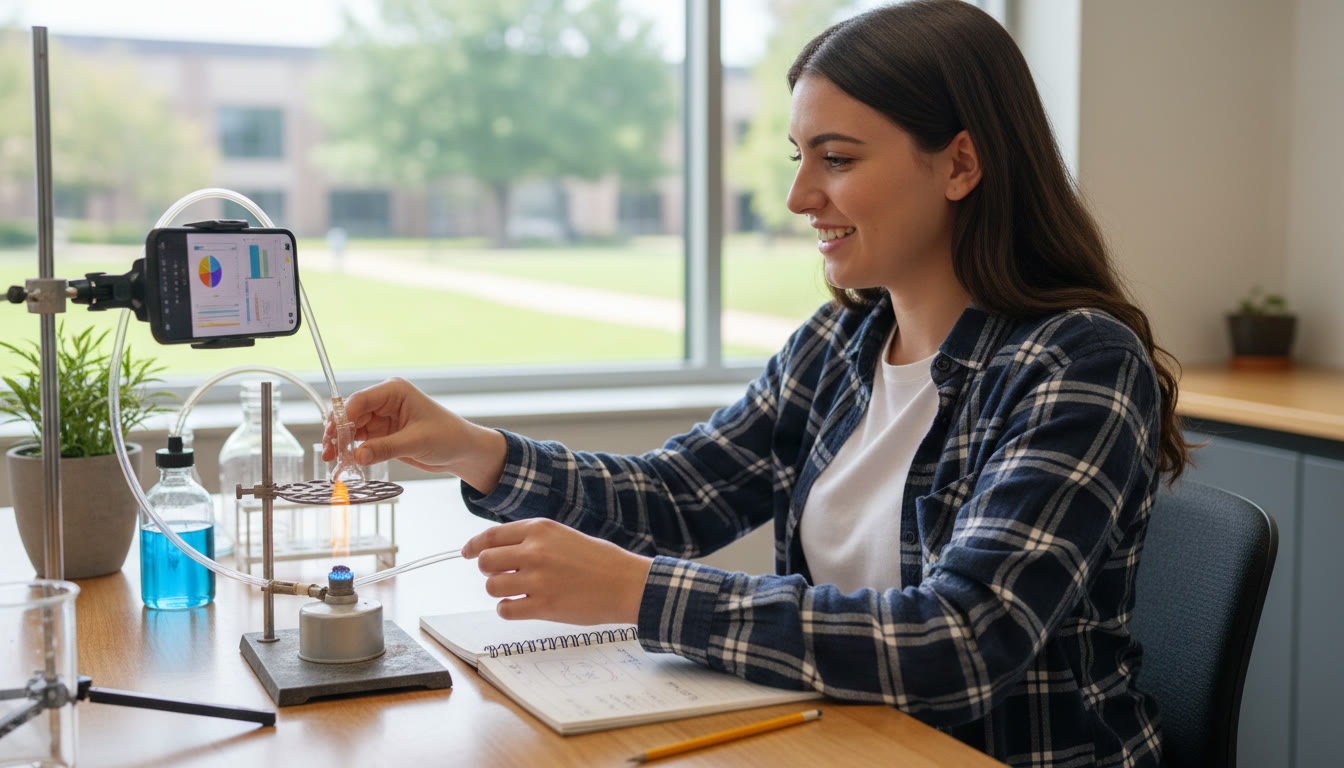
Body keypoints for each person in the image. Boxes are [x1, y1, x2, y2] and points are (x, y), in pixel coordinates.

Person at [324, 2, 1189, 765]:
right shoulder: (840, 342)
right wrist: (475, 450)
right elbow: (680, 496)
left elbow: (959, 642)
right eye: (798, 156)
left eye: (837, 158)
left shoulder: (1077, 362)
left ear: (960, 164)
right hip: (843, 744)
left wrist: (641, 592)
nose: (800, 196)